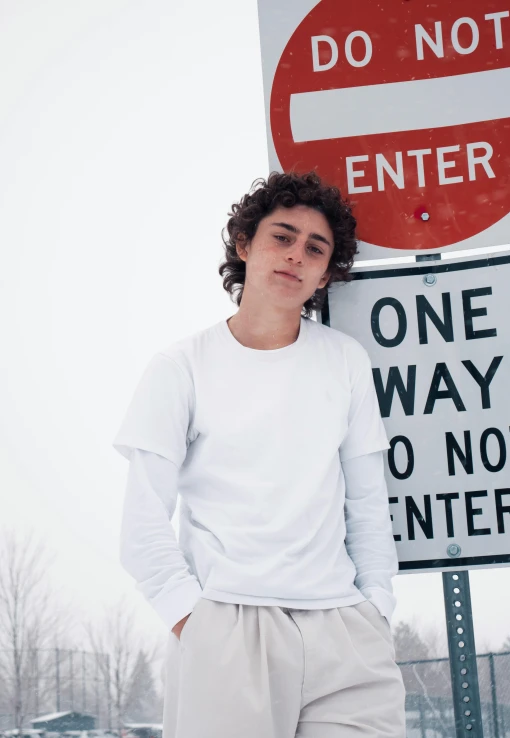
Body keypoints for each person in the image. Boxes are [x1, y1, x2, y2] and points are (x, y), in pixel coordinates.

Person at [112, 170, 407, 737]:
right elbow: (143, 519)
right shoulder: (182, 367)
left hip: (346, 634)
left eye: (315, 248)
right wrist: (194, 624)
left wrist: (377, 608)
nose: (297, 255)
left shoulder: (346, 362)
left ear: (326, 273)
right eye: (283, 236)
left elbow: (369, 503)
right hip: (230, 630)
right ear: (245, 244)